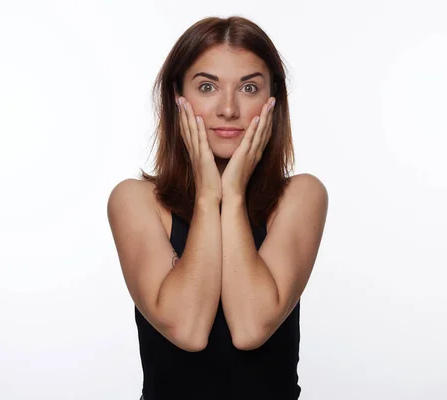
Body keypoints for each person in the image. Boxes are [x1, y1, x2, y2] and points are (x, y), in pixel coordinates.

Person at [107, 15, 328, 400]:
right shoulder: (135, 201)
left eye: (249, 87)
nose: (228, 109)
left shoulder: (301, 196)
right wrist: (210, 196)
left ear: (273, 100)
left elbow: (251, 327)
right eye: (207, 86)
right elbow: (188, 329)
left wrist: (235, 194)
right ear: (178, 97)